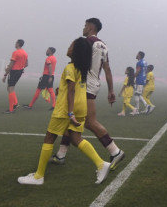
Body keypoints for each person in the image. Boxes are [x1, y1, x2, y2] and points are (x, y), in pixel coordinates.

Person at [18, 37, 111, 185]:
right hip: (81, 106)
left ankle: (38, 177)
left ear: (75, 51)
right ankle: (101, 164)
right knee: (76, 138)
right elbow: (73, 87)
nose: (68, 47)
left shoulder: (70, 67)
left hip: (67, 108)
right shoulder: (83, 67)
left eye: (71, 45)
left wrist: (70, 112)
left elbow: (71, 90)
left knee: (49, 137)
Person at [51, 18, 124, 169]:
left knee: (90, 122)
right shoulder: (103, 45)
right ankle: (61, 154)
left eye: (85, 26)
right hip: (93, 84)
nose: (83, 28)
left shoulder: (86, 42)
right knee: (70, 119)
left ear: (91, 27)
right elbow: (107, 69)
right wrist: (111, 90)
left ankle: (115, 151)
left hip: (83, 85)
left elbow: (71, 54)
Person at [2, 39, 28, 114]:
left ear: (18, 44)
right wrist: (20, 67)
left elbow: (11, 65)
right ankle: (15, 103)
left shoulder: (16, 52)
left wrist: (5, 74)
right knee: (10, 88)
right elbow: (26, 64)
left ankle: (11, 109)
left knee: (10, 88)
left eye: (16, 43)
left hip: (14, 71)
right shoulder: (25, 53)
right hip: (19, 72)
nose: (15, 44)